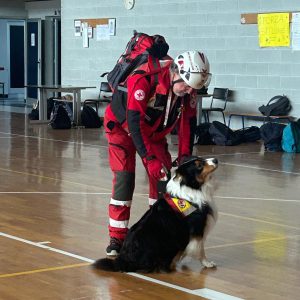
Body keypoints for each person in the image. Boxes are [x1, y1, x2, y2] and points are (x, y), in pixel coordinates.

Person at [104, 50, 211, 256]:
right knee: (124, 180)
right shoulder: (143, 79)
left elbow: (187, 124)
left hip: (153, 133)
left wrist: (185, 156)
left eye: (193, 88)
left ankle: (159, 235)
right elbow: (134, 124)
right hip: (122, 129)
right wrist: (149, 158)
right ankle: (117, 239)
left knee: (164, 182)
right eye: (186, 86)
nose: (189, 91)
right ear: (175, 73)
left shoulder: (189, 88)